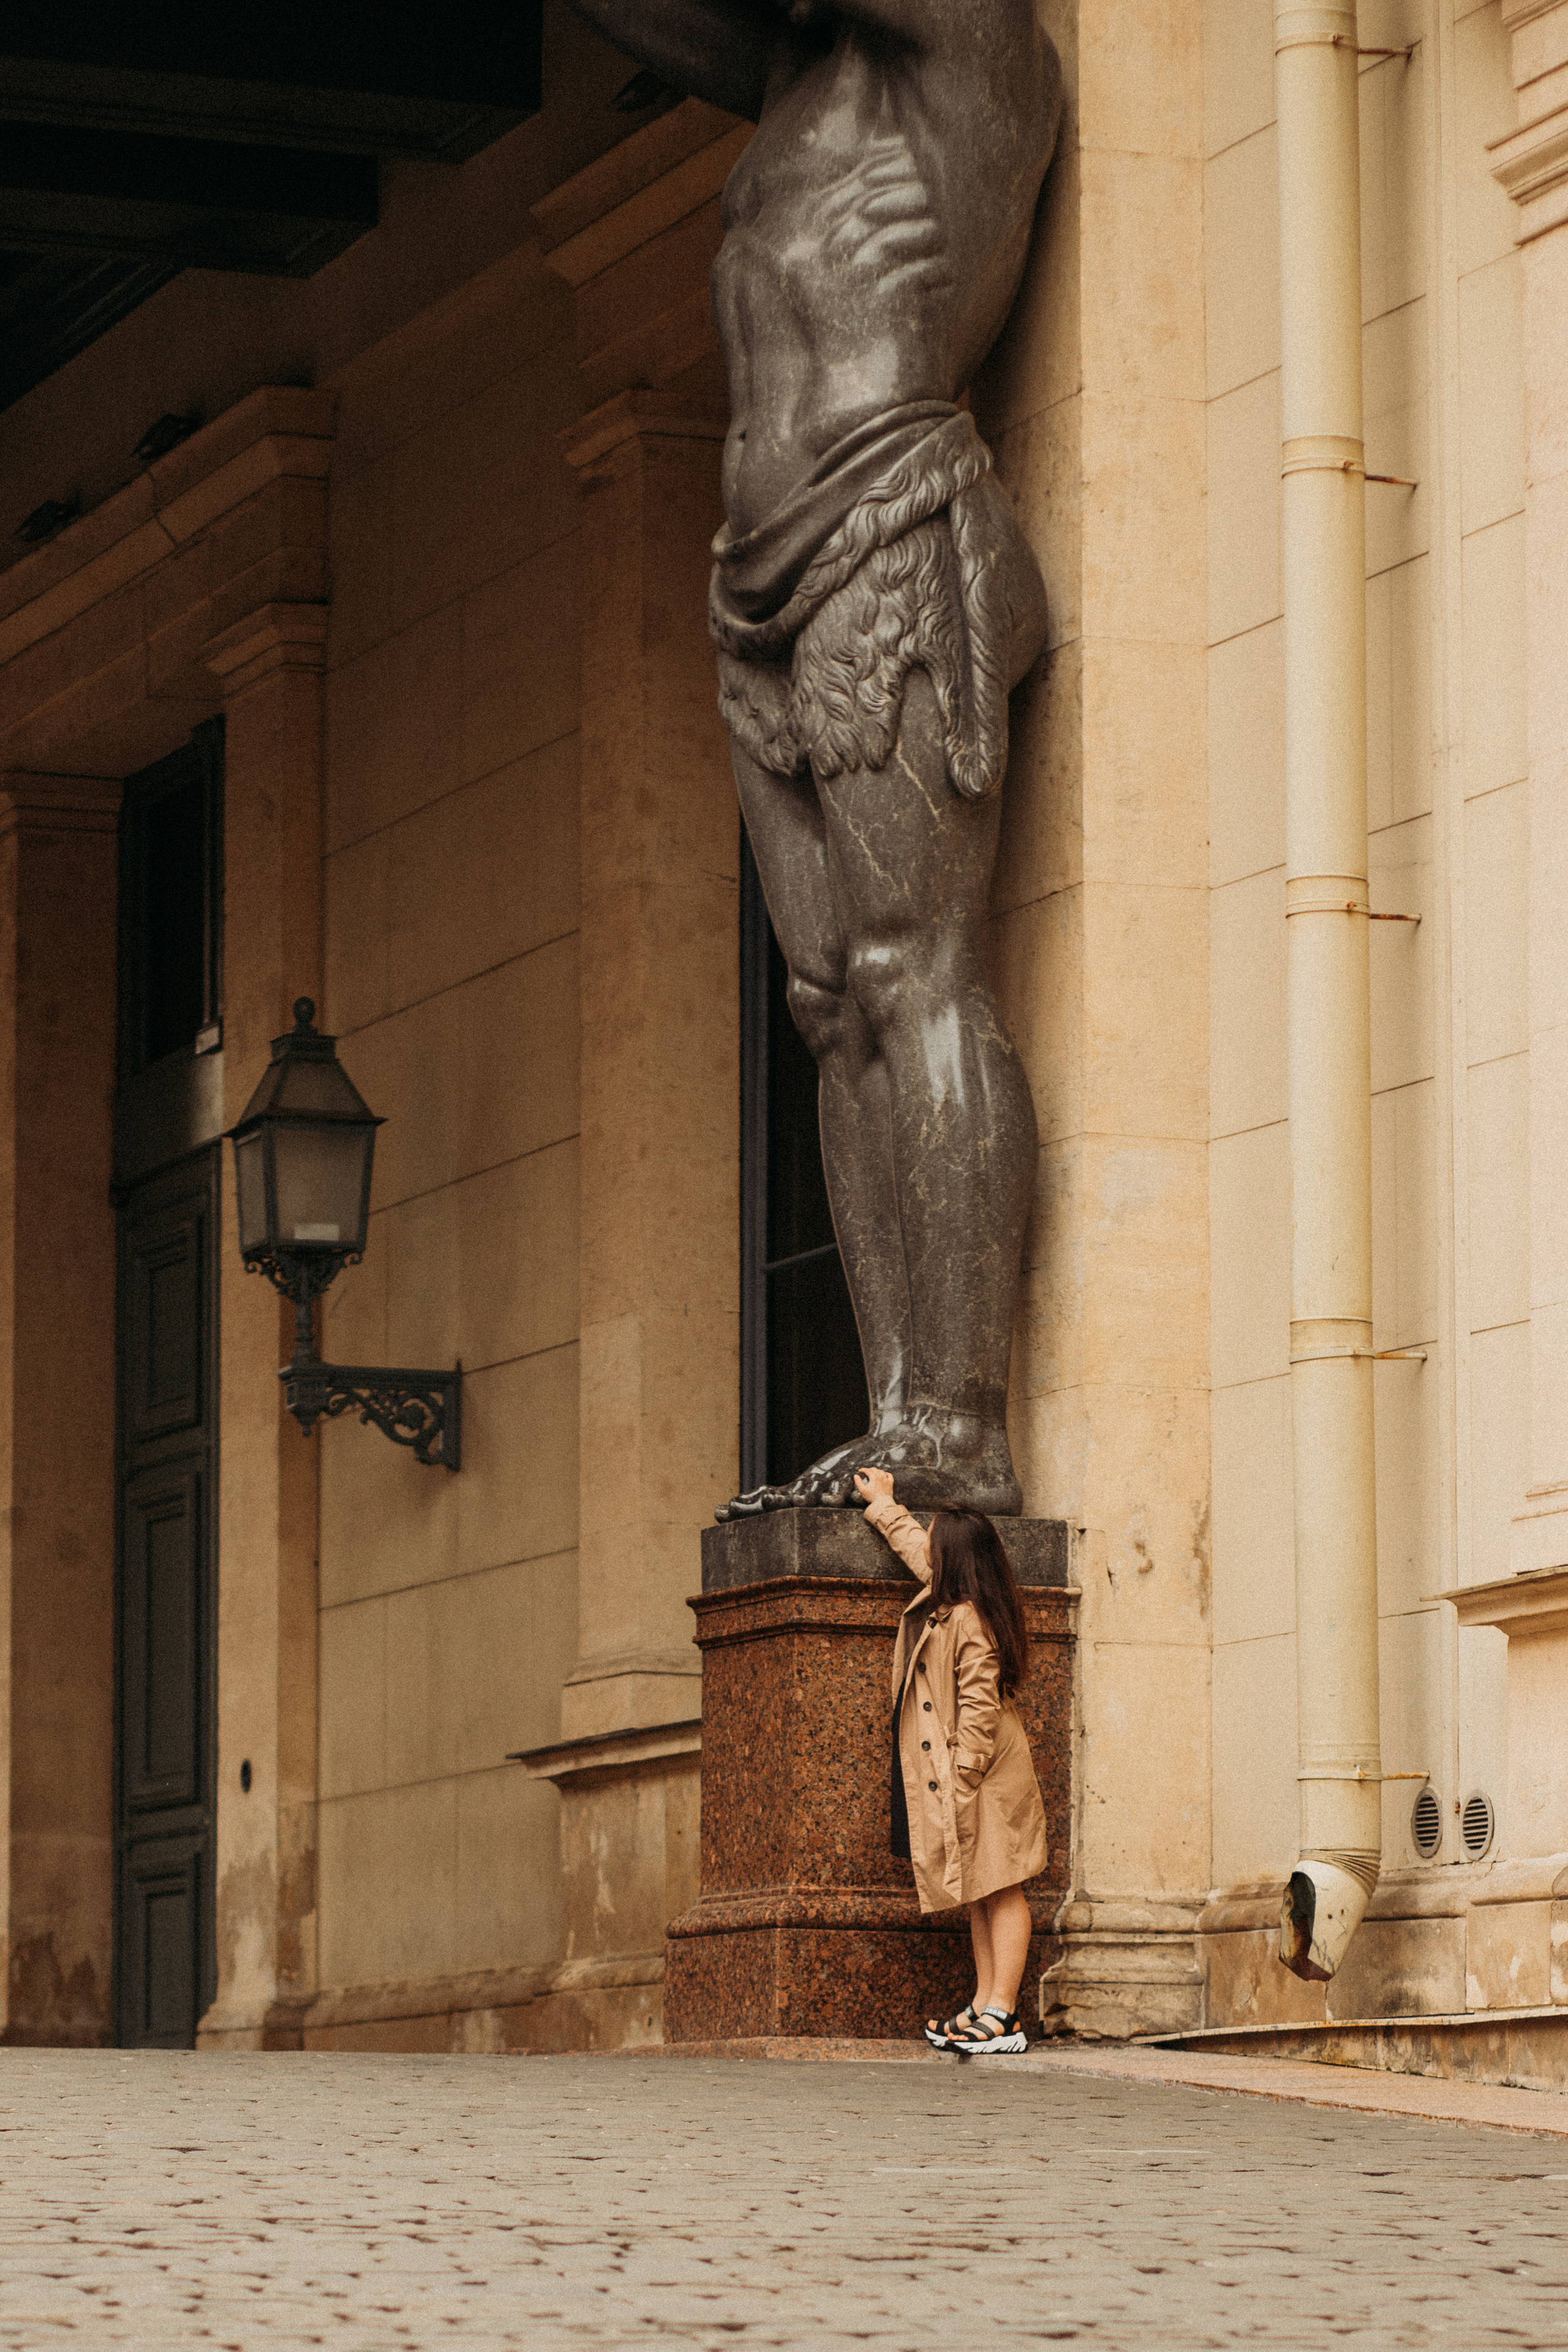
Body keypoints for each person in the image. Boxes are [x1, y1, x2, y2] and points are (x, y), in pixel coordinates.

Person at [564, 0, 1061, 1519]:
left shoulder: (973, 40)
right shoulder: (794, 77)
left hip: (887, 514)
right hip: (757, 571)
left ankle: (956, 1417)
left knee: (914, 969)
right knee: (831, 1001)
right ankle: (895, 1398)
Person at [854, 1462, 1047, 2050]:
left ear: (955, 1562)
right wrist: (885, 1504)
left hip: (985, 1772)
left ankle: (1004, 2015)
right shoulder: (955, 1599)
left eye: (939, 1546)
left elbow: (980, 1708)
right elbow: (918, 1548)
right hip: (972, 1773)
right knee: (980, 1889)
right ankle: (985, 2003)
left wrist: (962, 1776)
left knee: (1003, 1886)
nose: (929, 1551)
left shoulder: (969, 1620)